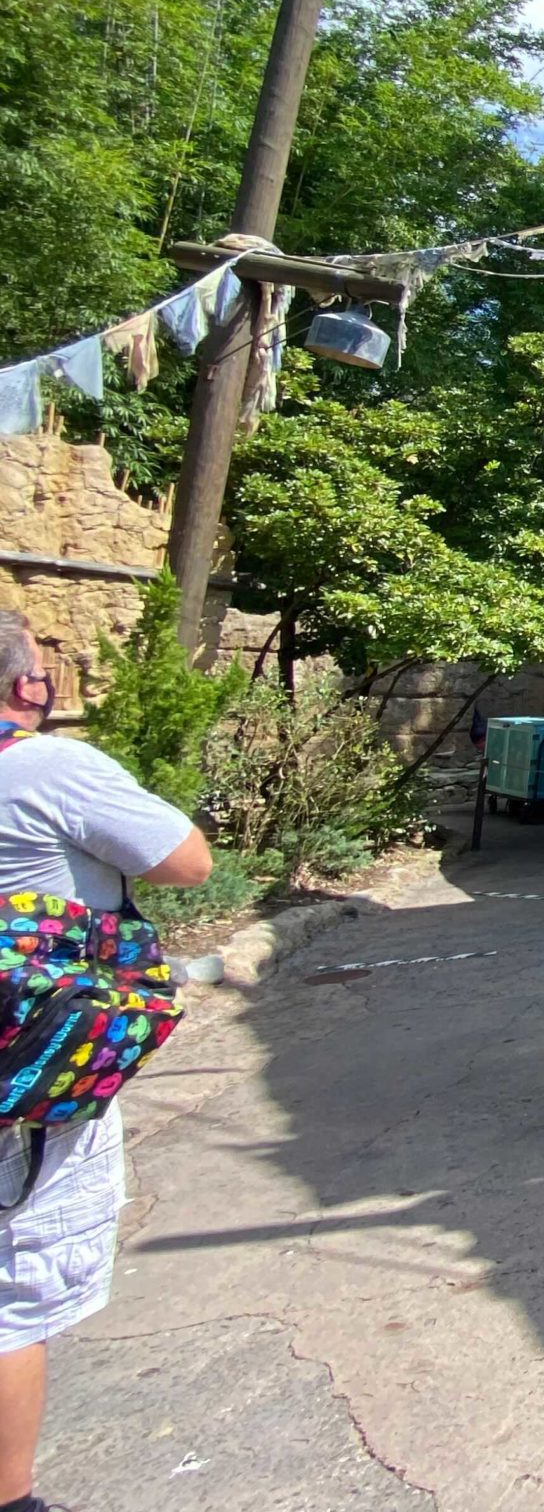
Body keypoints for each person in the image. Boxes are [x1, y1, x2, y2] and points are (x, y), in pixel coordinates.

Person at [0, 610, 215, 1511]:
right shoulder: (48, 768)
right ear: (28, 687)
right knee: (14, 1293)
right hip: (29, 1062)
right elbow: (186, 861)